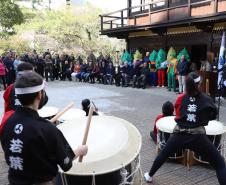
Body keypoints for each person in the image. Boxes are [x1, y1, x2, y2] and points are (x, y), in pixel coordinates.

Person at [0, 71, 88, 185]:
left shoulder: (7, 123)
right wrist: (80, 151)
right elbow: (65, 164)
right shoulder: (47, 129)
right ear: (39, 95)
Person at [144, 72, 226, 185]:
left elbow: (178, 113)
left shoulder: (181, 98)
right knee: (220, 164)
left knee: (163, 155)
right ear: (199, 84)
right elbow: (212, 115)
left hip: (179, 134)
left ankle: (149, 176)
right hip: (198, 137)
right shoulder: (206, 99)